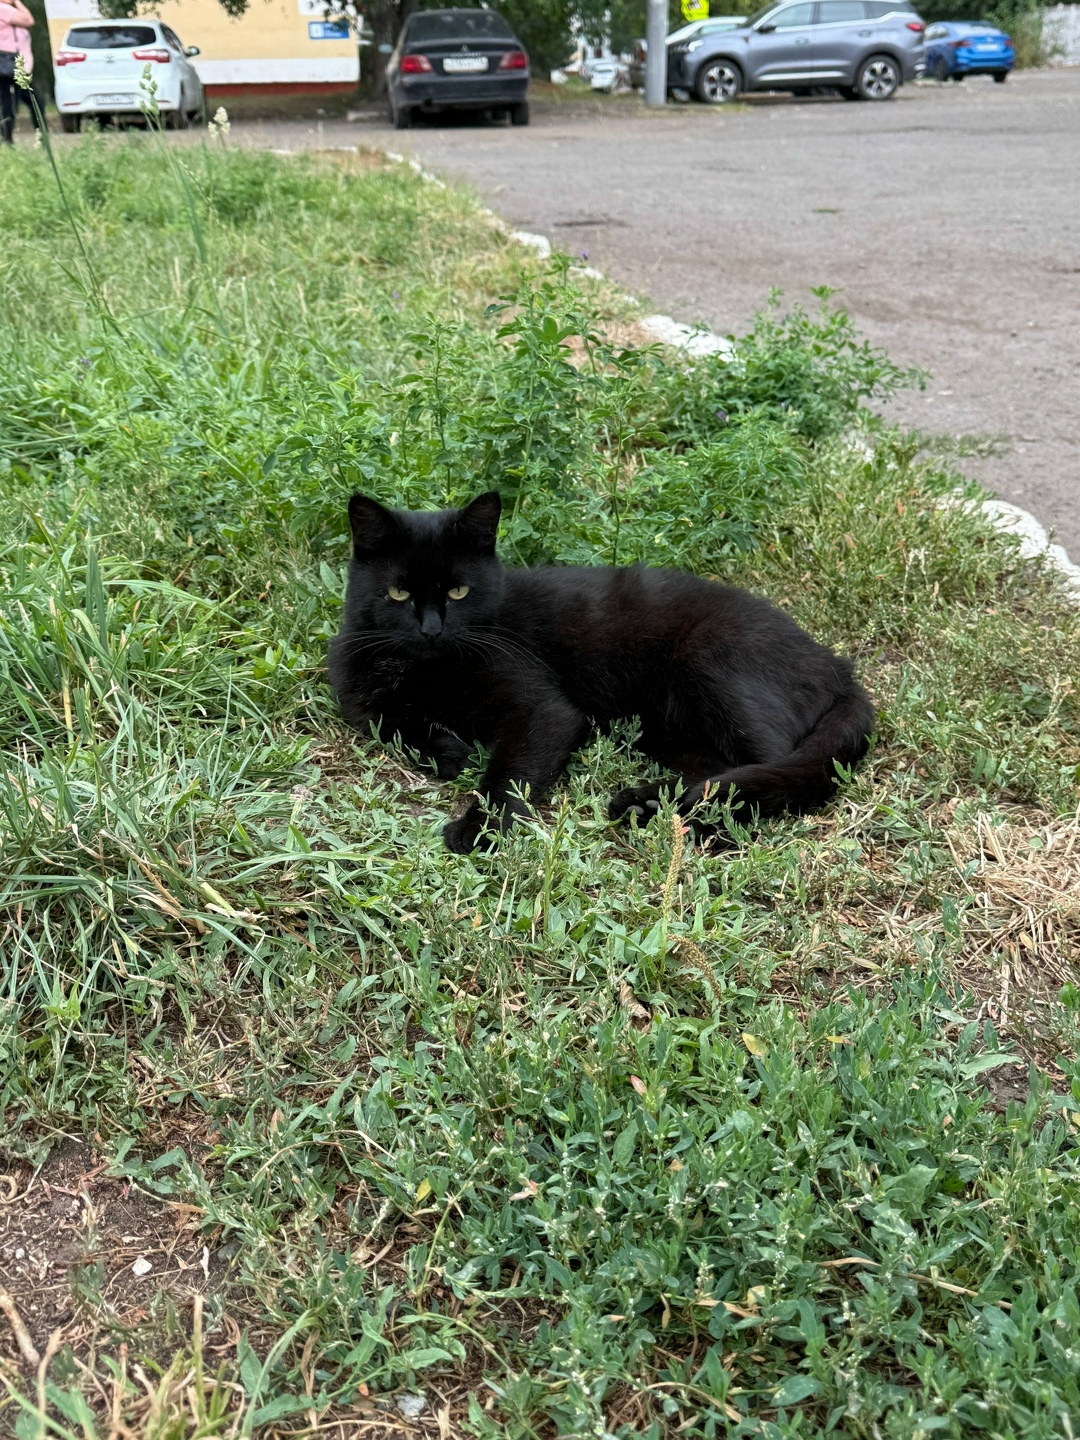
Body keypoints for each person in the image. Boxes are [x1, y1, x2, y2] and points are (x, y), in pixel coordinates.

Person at [0, 0, 34, 144]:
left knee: (10, 102)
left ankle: (7, 137)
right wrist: (17, 2)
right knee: (9, 103)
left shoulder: (11, 14)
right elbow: (29, 20)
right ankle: (7, 138)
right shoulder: (3, 9)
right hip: (7, 64)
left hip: (19, 66)